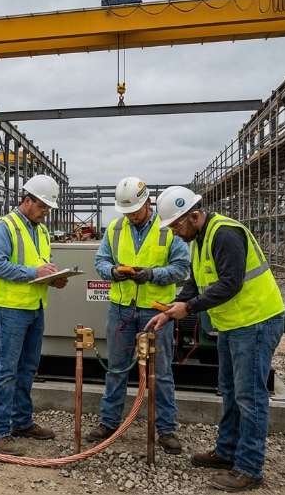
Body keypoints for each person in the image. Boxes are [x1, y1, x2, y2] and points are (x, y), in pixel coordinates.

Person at [147, 186, 285, 493]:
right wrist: (172, 311)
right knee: (230, 390)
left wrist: (189, 308)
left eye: (176, 226)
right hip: (234, 324)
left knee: (249, 396)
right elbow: (196, 282)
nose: (174, 232)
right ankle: (226, 452)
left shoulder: (224, 234)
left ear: (194, 216)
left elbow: (231, 283)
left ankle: (249, 468)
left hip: (256, 321)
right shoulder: (200, 239)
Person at [89, 177, 190, 454]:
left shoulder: (167, 228)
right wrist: (112, 272)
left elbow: (182, 268)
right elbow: (100, 261)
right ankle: (108, 423)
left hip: (155, 310)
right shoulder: (115, 227)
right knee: (117, 368)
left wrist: (153, 275)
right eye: (127, 212)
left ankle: (166, 430)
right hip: (121, 309)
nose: (131, 216)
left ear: (148, 202)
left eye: (135, 210)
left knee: (162, 373)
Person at [0, 174, 68, 455]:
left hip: (34, 307)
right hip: (10, 309)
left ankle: (22, 422)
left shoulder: (41, 230)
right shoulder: (4, 227)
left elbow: (39, 264)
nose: (46, 212)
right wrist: (35, 273)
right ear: (27, 200)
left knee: (28, 367)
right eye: (43, 206)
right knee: (6, 369)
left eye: (47, 207)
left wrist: (52, 277)